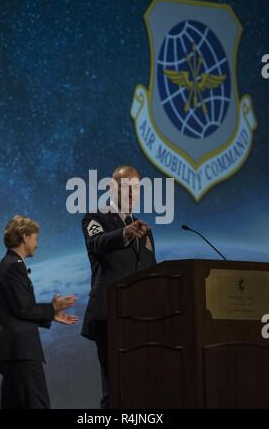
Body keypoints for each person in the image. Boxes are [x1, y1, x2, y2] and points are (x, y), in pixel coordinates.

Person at [81, 165, 157, 408]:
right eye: (127, 189)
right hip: (109, 316)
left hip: (138, 318)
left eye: (137, 190)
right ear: (112, 188)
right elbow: (97, 243)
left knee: (138, 388)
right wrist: (125, 232)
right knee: (115, 388)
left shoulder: (144, 231)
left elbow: (151, 273)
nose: (133, 195)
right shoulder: (96, 218)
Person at [0, 215, 78, 409]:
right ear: (25, 237)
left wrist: (51, 314)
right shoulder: (13, 267)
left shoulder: (8, 265)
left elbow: (18, 309)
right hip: (20, 353)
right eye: (36, 238)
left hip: (12, 352)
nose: (37, 244)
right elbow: (24, 309)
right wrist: (53, 308)